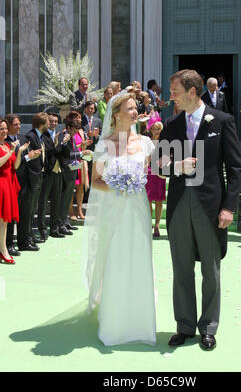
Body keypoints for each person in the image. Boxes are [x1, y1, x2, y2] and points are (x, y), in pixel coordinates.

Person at [158, 70, 241, 351]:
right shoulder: (171, 124)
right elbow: (159, 166)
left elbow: (234, 168)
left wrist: (229, 207)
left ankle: (208, 327)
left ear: (192, 92)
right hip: (179, 204)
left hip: (210, 206)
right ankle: (184, 326)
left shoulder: (222, 121)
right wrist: (177, 167)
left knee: (211, 269)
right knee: (181, 269)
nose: (171, 96)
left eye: (174, 91)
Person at [83, 91, 156, 346]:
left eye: (136, 107)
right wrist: (118, 185)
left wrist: (179, 166)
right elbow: (95, 182)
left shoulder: (146, 143)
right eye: (130, 108)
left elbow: (157, 169)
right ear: (116, 115)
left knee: (138, 257)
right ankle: (114, 322)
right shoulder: (104, 145)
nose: (135, 112)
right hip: (114, 210)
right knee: (116, 258)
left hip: (138, 209)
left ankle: (140, 320)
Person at [17, 113, 49, 251]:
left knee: (32, 211)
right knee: (27, 211)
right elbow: (27, 159)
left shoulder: (41, 136)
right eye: (48, 122)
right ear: (42, 124)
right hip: (31, 179)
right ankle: (25, 240)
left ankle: (29, 235)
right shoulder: (30, 136)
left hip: (38, 178)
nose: (49, 125)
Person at [0, 118, 29, 264]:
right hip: (1, 185)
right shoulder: (6, 147)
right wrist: (11, 150)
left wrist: (20, 152)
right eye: (1, 129)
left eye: (5, 128)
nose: (4, 131)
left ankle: (3, 248)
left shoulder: (6, 145)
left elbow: (15, 166)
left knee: (4, 221)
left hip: (9, 184)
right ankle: (4, 250)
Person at [56, 119, 92, 236]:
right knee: (64, 199)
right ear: (69, 127)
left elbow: (73, 153)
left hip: (72, 170)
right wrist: (81, 154)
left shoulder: (71, 137)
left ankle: (65, 222)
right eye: (74, 131)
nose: (75, 133)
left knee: (67, 199)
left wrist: (82, 153)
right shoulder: (63, 136)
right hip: (66, 171)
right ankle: (61, 224)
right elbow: (64, 154)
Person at [37, 112, 63, 240]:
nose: (53, 123)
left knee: (56, 201)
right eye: (51, 121)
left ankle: (54, 229)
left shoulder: (61, 135)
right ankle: (42, 230)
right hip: (47, 172)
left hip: (58, 171)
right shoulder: (44, 135)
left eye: (55, 121)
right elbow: (50, 151)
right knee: (43, 202)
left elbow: (62, 152)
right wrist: (58, 144)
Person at [145, 114, 166, 238]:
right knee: (148, 200)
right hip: (148, 172)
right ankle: (149, 223)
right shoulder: (146, 141)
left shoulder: (165, 141)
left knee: (159, 200)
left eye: (158, 128)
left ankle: (157, 225)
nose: (156, 131)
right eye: (153, 128)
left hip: (160, 172)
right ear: (150, 129)